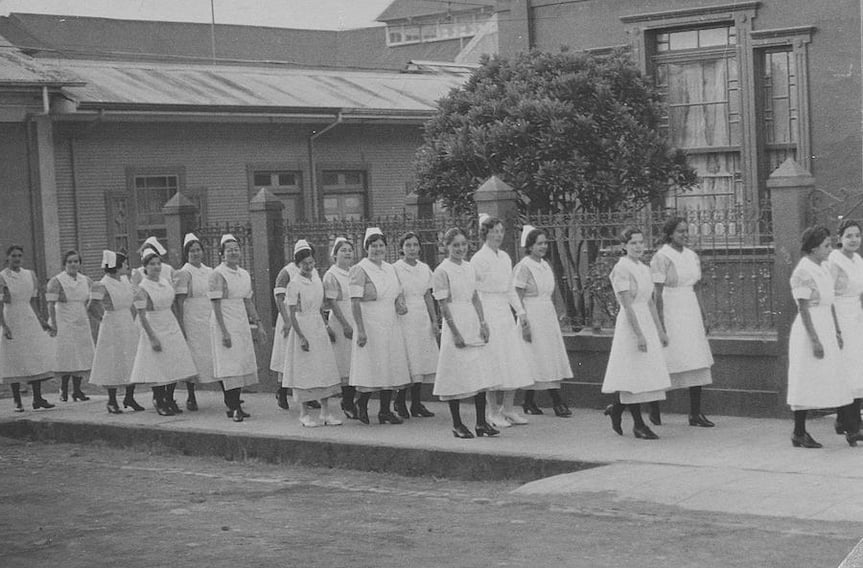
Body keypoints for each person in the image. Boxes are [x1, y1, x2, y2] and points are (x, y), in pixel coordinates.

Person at [787, 225, 862, 448]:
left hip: (826, 326)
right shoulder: (803, 271)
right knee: (805, 378)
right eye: (826, 246)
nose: (830, 249)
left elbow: (830, 303)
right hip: (809, 330)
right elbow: (803, 308)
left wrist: (836, 330)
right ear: (813, 248)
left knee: (833, 376)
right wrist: (814, 340)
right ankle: (799, 432)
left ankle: (851, 427)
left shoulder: (821, 267)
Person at [601, 227, 671, 440]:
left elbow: (649, 302)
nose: (639, 246)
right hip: (631, 325)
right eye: (633, 243)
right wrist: (639, 334)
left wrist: (659, 330)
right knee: (633, 373)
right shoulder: (621, 268)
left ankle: (616, 409)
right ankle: (638, 425)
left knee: (644, 372)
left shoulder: (644, 268)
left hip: (646, 321)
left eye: (641, 242)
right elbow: (627, 305)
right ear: (624, 246)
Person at [432, 227, 501, 439]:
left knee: (479, 373)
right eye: (455, 245)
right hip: (455, 322)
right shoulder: (442, 271)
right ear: (446, 246)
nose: (460, 249)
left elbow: (475, 297)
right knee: (455, 374)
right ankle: (457, 424)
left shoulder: (470, 267)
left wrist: (483, 322)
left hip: (472, 321)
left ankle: (481, 422)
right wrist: (455, 332)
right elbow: (443, 305)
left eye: (463, 244)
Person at [649, 216, 715, 427]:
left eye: (687, 231)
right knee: (668, 358)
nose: (685, 235)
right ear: (670, 234)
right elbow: (657, 293)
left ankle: (695, 413)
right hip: (671, 308)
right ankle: (654, 409)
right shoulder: (662, 257)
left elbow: (697, 287)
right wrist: (660, 322)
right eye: (680, 231)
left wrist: (704, 315)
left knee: (696, 358)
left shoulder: (692, 256)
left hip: (690, 309)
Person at [470, 216, 531, 427]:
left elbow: (509, 288)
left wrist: (521, 312)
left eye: (501, 231)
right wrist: (480, 320)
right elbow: (473, 291)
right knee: (492, 361)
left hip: (504, 313)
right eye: (494, 231)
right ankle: (493, 412)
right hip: (487, 311)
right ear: (485, 233)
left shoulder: (505, 257)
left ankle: (508, 409)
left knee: (511, 359)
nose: (498, 235)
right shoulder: (478, 259)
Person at [348, 227, 411, 425]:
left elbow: (397, 293)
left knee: (389, 365)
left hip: (390, 322)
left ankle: (385, 410)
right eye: (373, 246)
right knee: (372, 365)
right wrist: (361, 330)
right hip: (369, 322)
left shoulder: (390, 268)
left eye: (381, 245)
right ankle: (362, 403)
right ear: (366, 248)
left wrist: (400, 304)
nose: (377, 249)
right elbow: (354, 302)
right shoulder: (360, 269)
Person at [128, 247, 198, 416]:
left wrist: (178, 326)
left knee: (173, 362)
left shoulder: (166, 282)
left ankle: (169, 398)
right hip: (154, 323)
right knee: (158, 364)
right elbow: (142, 316)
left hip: (170, 322)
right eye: (152, 264)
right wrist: (152, 337)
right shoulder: (142, 288)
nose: (156, 267)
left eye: (158, 264)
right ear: (145, 267)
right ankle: (159, 400)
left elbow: (173, 303)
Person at [514, 226, 573, 418]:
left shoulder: (545, 265)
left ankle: (528, 401)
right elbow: (517, 297)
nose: (543, 247)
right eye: (539, 243)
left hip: (546, 315)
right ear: (530, 246)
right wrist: (524, 322)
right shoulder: (524, 266)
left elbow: (549, 291)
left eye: (545, 243)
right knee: (536, 357)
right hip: (531, 315)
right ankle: (557, 401)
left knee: (547, 357)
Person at [282, 240, 342, 427]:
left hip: (318, 327)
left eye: (311, 262)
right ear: (298, 264)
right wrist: (301, 336)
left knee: (323, 368)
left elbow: (320, 307)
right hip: (303, 327)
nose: (309, 266)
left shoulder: (316, 278)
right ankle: (304, 413)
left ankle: (325, 412)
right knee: (305, 370)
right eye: (304, 264)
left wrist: (326, 326)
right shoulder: (294, 284)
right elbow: (292, 313)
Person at [210, 234, 266, 422]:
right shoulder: (217, 274)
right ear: (222, 254)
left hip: (240, 321)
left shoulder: (244, 274)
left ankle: (235, 405)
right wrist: (224, 331)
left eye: (236, 249)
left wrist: (258, 323)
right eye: (229, 250)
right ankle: (233, 406)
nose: (233, 252)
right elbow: (215, 304)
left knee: (241, 362)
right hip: (224, 320)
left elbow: (248, 301)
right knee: (229, 364)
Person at [0, 244, 56, 411]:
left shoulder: (29, 274)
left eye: (19, 256)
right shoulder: (3, 276)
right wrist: (4, 325)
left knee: (34, 356)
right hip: (12, 317)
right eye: (13, 256)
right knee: (15, 358)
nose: (17, 259)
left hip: (29, 318)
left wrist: (41, 320)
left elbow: (33, 300)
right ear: (8, 257)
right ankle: (17, 400)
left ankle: (37, 398)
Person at [87, 250, 144, 413]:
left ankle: (129, 397)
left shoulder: (125, 280)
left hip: (127, 321)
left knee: (131, 358)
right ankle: (111, 400)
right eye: (124, 263)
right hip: (111, 325)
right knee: (113, 360)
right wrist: (103, 319)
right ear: (117, 266)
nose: (127, 266)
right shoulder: (102, 284)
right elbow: (91, 306)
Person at [393, 231, 439, 419]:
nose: (412, 249)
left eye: (415, 245)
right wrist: (399, 304)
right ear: (401, 248)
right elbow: (393, 293)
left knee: (421, 358)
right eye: (408, 245)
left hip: (421, 316)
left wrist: (434, 320)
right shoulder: (395, 268)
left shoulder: (424, 268)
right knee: (408, 358)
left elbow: (428, 295)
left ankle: (417, 403)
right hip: (404, 317)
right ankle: (399, 400)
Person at [174, 233, 217, 411]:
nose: (195, 253)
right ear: (187, 254)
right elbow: (179, 301)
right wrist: (182, 324)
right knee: (194, 355)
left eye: (198, 250)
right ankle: (191, 395)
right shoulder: (184, 273)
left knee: (213, 352)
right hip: (192, 315)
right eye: (191, 251)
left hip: (208, 313)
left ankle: (228, 395)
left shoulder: (210, 271)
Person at [828, 219, 863, 435]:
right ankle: (851, 423)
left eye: (857, 235)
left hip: (856, 316)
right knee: (847, 369)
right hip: (840, 316)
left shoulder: (858, 259)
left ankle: (847, 420)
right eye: (849, 236)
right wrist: (835, 328)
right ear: (839, 238)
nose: (854, 240)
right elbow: (828, 295)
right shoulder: (834, 260)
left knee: (858, 367)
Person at [46, 250, 94, 403]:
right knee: (67, 355)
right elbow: (50, 304)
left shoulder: (86, 280)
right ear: (64, 264)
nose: (73, 264)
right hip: (63, 320)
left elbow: (91, 300)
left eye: (76, 261)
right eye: (70, 262)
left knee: (80, 354)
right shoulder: (57, 281)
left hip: (81, 319)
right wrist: (53, 323)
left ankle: (78, 390)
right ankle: (64, 388)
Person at [323, 237, 357, 419]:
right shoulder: (331, 275)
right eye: (343, 250)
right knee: (344, 362)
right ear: (335, 254)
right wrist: (345, 324)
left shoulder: (354, 272)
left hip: (354, 317)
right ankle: (347, 401)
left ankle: (352, 400)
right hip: (340, 320)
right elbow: (332, 302)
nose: (347, 253)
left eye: (350, 250)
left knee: (354, 361)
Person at [270, 258, 298, 411]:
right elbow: (279, 298)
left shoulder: (310, 271)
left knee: (303, 358)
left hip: (303, 316)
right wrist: (287, 321)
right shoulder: (286, 272)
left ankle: (307, 396)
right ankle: (282, 392)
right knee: (286, 357)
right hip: (288, 316)